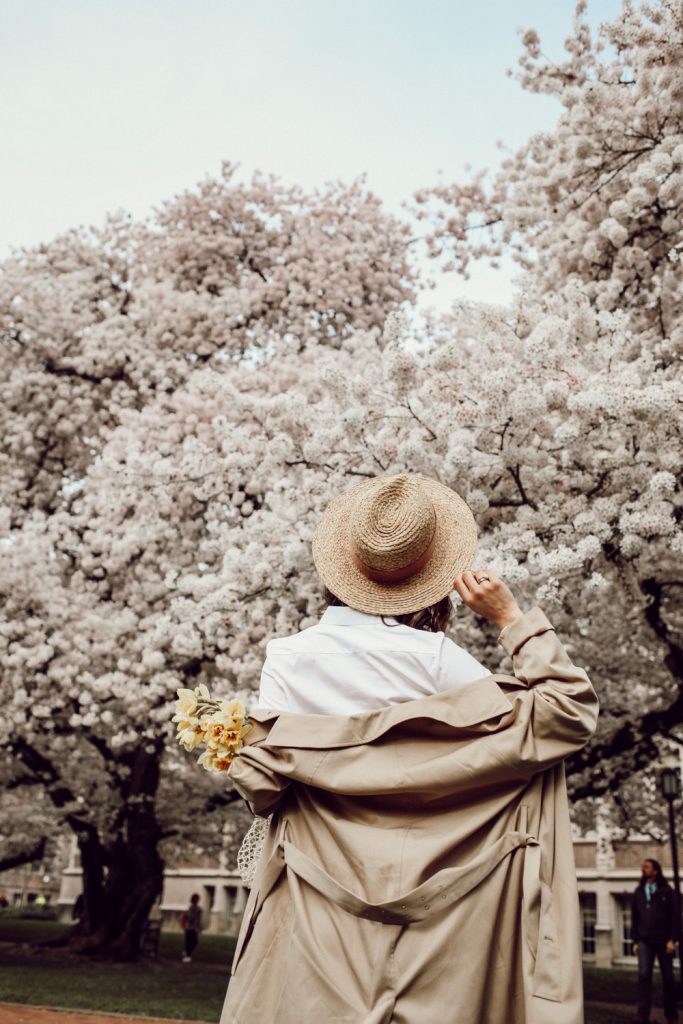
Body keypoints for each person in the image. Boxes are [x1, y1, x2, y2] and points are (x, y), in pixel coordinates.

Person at [221, 473, 599, 1024]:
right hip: (442, 922)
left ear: (345, 568)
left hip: (317, 908)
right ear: (432, 576)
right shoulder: (439, 662)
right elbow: (566, 713)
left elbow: (265, 783)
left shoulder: (287, 658)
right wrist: (509, 619)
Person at [632, 857, 679, 1024]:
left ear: (655, 871)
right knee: (644, 975)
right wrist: (635, 941)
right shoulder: (638, 892)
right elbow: (635, 918)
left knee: (668, 977)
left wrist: (673, 939)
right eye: (643, 866)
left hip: (664, 941)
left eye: (647, 867)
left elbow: (675, 917)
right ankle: (642, 1014)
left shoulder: (667, 891)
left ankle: (671, 1015)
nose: (643, 869)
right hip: (644, 941)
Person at [181, 893, 202, 963]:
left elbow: (198, 919)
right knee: (190, 942)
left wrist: (198, 927)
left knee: (194, 942)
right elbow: (190, 917)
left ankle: (187, 952)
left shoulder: (197, 908)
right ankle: (187, 955)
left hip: (193, 928)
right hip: (189, 927)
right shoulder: (192, 908)